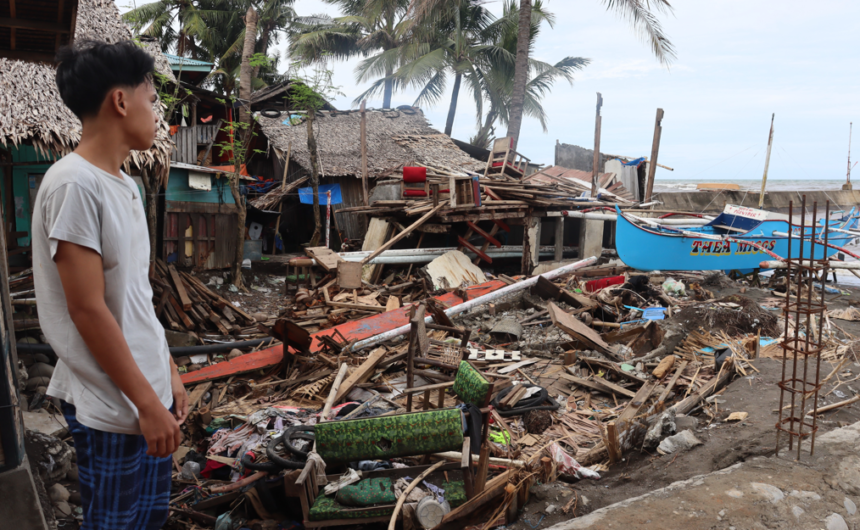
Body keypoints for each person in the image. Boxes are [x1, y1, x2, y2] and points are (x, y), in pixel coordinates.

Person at [32, 40, 189, 530]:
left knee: (148, 521)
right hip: (114, 403)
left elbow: (134, 297)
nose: (157, 112)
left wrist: (167, 372)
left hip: (146, 393)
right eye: (152, 98)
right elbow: (88, 310)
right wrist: (145, 400)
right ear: (120, 102)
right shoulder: (73, 184)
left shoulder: (126, 184)